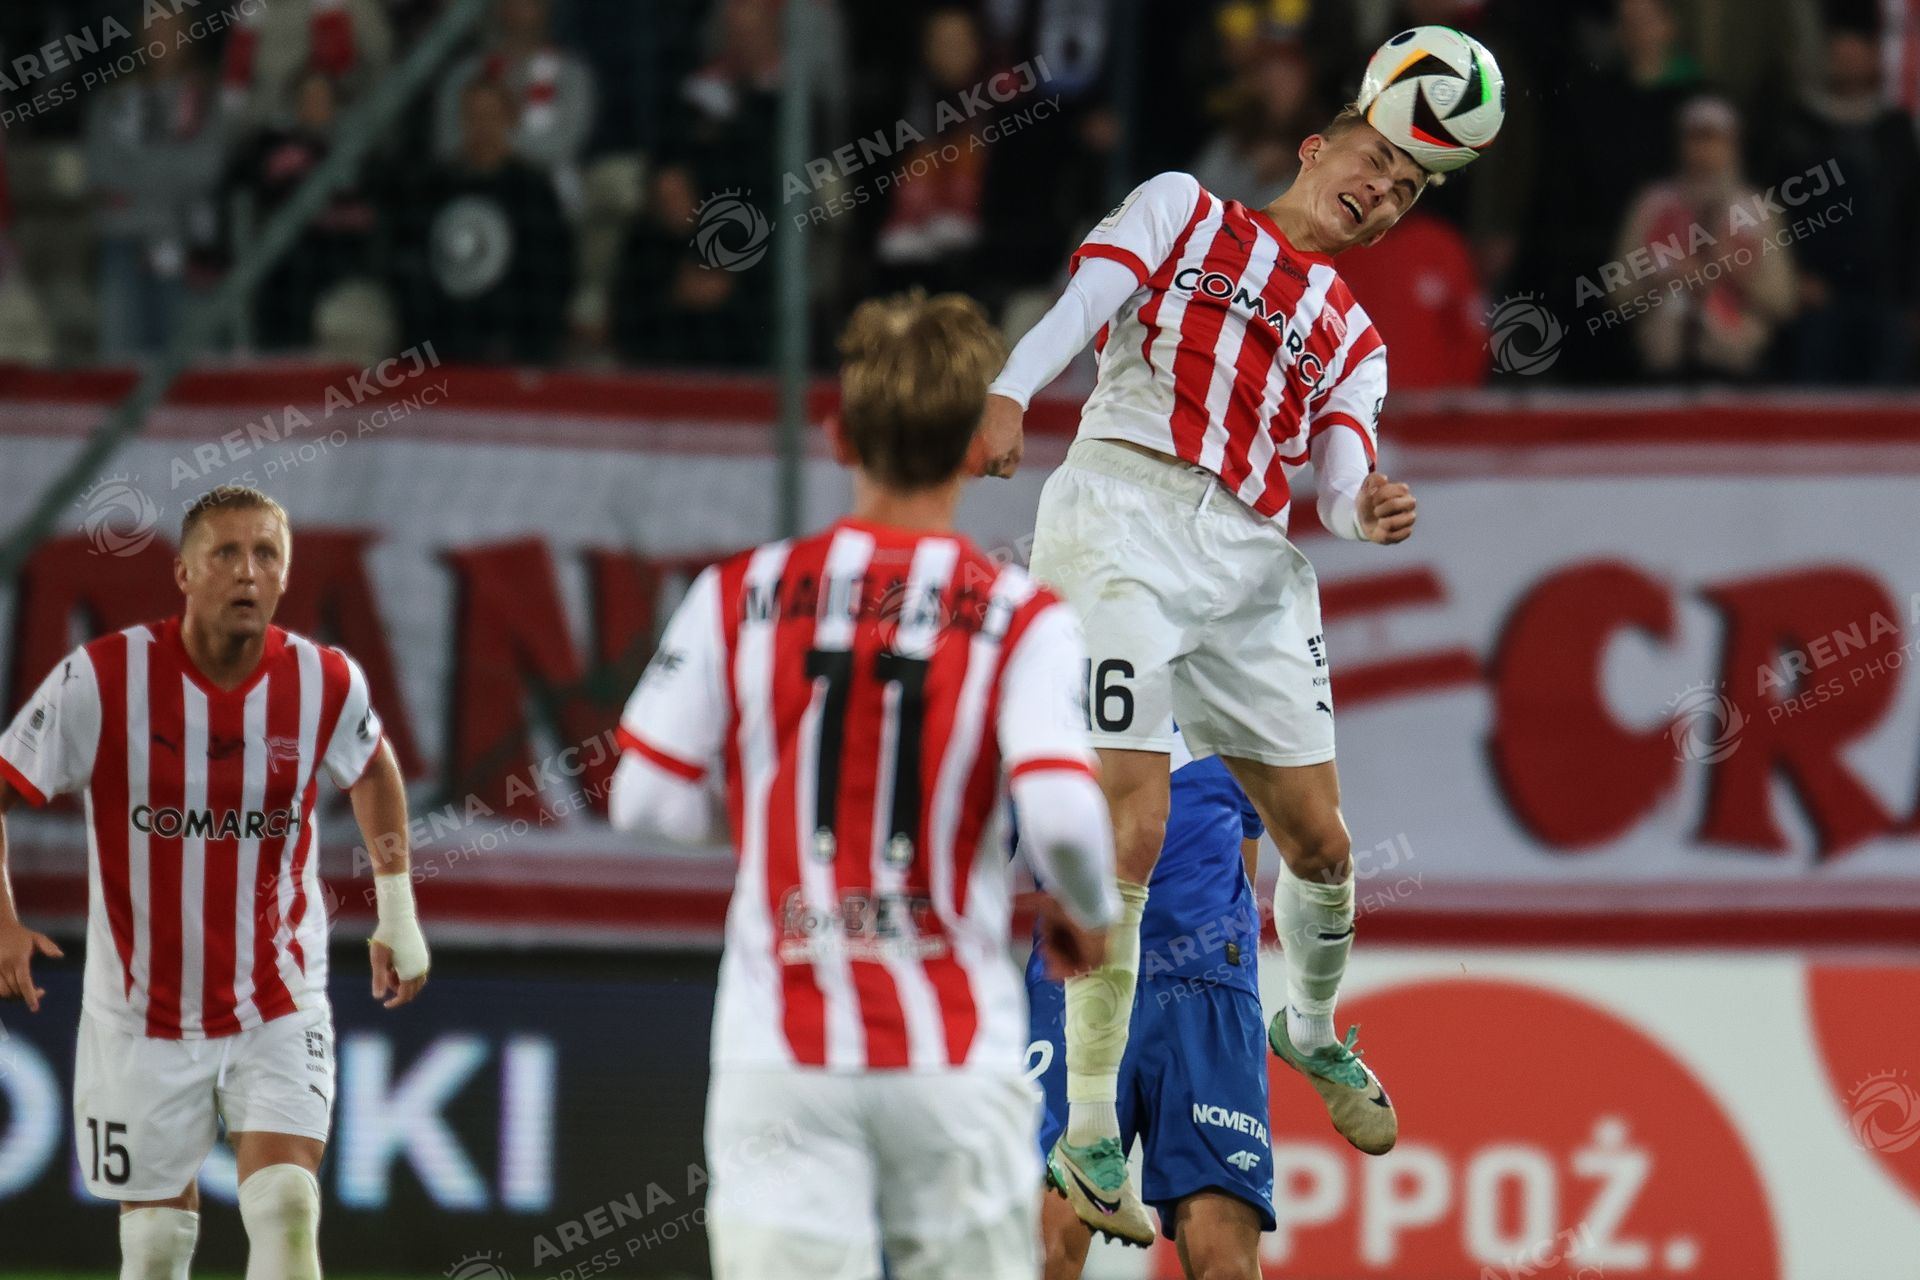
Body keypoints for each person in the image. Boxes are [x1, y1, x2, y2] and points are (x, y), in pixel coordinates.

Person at [977, 99, 1435, 1241]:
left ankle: (1311, 1030)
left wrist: (1366, 511)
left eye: (1406, 189)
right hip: (1120, 512)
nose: (1382, 190)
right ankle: (1090, 1136)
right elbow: (1085, 303)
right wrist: (1010, 390)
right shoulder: (1186, 209)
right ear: (1316, 147)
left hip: (1250, 553)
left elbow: (1339, 477)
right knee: (1129, 829)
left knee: (1322, 845)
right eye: (1375, 160)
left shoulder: (1355, 337)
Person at [610, 291, 1119, 1280]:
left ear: (839, 434)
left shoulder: (740, 594)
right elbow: (1062, 812)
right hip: (952, 1051)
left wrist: (773, 817)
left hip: (781, 1050)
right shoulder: (1021, 617)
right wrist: (1086, 911)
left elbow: (643, 798)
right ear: (974, 444)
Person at [0, 486, 431, 1280]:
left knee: (288, 1207)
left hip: (277, 997)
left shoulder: (324, 681)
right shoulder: (103, 678)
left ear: (285, 575)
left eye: (266, 554)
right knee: (155, 1248)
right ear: (184, 573)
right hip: (138, 1013)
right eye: (226, 553)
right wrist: (2, 919)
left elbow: (373, 769)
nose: (247, 571)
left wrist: (397, 912)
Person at [1026, 730, 1274, 1275]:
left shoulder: (1230, 699)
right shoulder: (1050, 697)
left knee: (1225, 1261)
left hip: (1205, 992)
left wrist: (1225, 960)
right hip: (1075, 976)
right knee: (1042, 1249)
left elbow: (1245, 843)